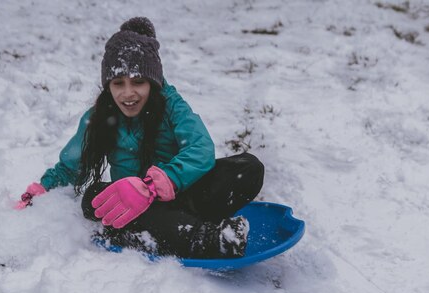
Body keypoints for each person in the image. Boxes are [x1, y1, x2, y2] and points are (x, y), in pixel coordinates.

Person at [16, 17, 264, 259]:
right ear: (108, 86)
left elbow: (200, 148)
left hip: (180, 194)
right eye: (118, 83)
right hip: (132, 211)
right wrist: (41, 190)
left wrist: (153, 186)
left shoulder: (172, 107)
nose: (128, 93)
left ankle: (174, 226)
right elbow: (72, 165)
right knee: (93, 199)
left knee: (248, 168)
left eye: (138, 82)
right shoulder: (99, 118)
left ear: (152, 82)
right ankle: (209, 239)